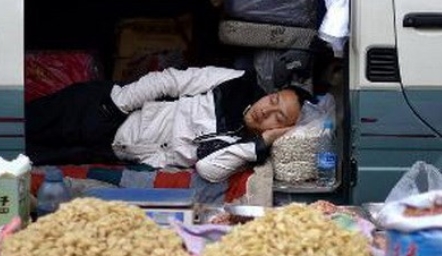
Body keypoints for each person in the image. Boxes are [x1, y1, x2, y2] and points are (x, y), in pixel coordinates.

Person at [25, 66, 313, 183]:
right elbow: (169, 80)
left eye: (279, 118)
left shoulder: (243, 149)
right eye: (273, 100)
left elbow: (207, 169)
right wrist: (114, 107)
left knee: (23, 158)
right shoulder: (235, 83)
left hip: (109, 150)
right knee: (15, 128)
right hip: (101, 108)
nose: (267, 111)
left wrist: (264, 141)